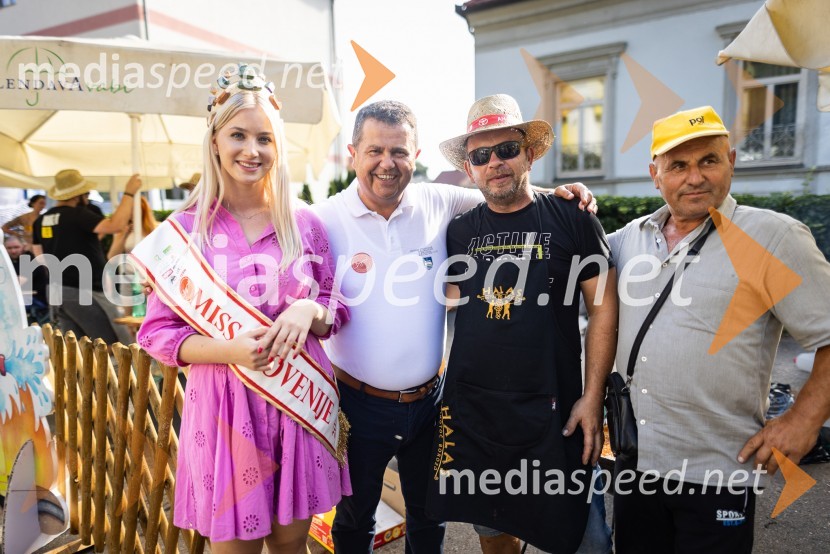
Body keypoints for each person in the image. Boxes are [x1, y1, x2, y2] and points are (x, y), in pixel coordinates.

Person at [310, 99, 597, 553]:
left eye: (400, 151)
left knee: (430, 517)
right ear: (353, 153)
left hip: (431, 403)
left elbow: (507, 191)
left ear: (415, 155)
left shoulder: (437, 200)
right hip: (357, 405)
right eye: (375, 151)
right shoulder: (321, 220)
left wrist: (566, 192)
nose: (388, 163)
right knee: (353, 520)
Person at [136, 65, 350, 554]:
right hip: (226, 408)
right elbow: (156, 334)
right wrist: (228, 348)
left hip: (297, 404)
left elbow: (334, 305)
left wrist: (307, 314)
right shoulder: (184, 234)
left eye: (265, 138)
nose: (252, 150)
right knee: (234, 548)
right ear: (214, 141)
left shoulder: (305, 225)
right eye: (238, 135)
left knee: (293, 543)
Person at [608, 106, 830, 553]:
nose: (695, 177)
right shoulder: (625, 240)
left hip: (718, 470)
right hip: (636, 465)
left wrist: (804, 422)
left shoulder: (774, 236)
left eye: (708, 160)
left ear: (730, 159)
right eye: (678, 166)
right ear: (655, 174)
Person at [427, 94, 618, 554]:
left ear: (530, 153)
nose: (496, 163)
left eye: (507, 149)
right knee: (494, 535)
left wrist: (593, 399)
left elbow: (605, 309)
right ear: (470, 168)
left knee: (584, 540)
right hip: (478, 416)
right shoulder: (459, 231)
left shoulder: (572, 216)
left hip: (556, 416)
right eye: (481, 155)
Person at [31, 169, 141, 345]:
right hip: (85, 290)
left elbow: (39, 255)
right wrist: (129, 193)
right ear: (78, 195)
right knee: (113, 344)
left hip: (58, 291)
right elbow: (116, 225)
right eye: (86, 194)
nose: (87, 198)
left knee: (79, 349)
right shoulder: (78, 215)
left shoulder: (41, 220)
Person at [4, 234, 50, 325]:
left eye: (16, 247)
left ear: (24, 247)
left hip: (37, 306)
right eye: (9, 248)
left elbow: (16, 283)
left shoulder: (30, 260)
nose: (13, 251)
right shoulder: (8, 261)